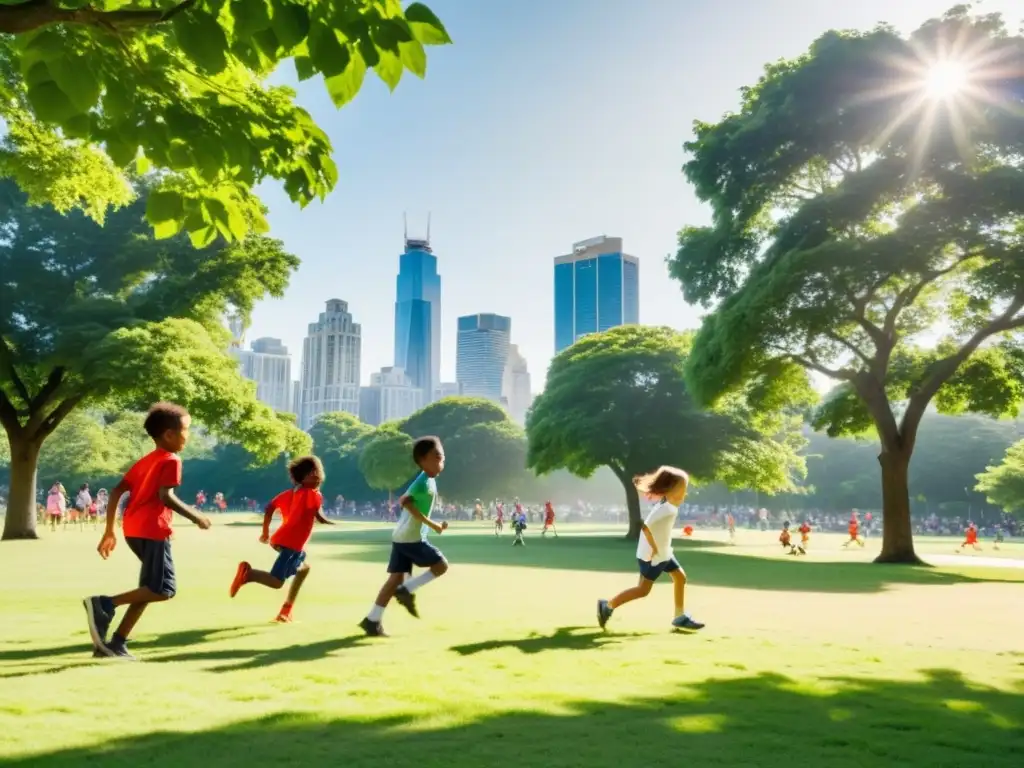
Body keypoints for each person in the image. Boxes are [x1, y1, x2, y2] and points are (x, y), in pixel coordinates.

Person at [83, 402, 211, 660]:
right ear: (169, 434)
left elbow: (118, 490)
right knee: (164, 589)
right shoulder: (171, 459)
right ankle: (105, 604)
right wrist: (196, 516)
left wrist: (110, 531)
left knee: (150, 587)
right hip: (153, 529)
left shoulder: (146, 461)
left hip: (134, 529)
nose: (188, 435)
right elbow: (166, 496)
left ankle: (117, 643)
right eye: (186, 429)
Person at [359, 436, 448, 637]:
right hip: (411, 537)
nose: (441, 462)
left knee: (394, 579)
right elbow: (405, 502)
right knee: (441, 566)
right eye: (437, 457)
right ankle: (406, 590)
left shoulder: (429, 481)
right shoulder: (423, 482)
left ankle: (372, 620)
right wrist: (433, 524)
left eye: (442, 457)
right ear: (423, 460)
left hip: (401, 536)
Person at [597, 467, 704, 632]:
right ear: (671, 490)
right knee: (642, 590)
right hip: (653, 557)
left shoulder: (669, 506)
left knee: (680, 577)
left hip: (664, 553)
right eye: (683, 489)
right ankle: (607, 606)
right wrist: (654, 548)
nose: (685, 493)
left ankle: (679, 616)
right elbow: (646, 527)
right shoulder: (665, 508)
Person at [230, 456, 332, 622]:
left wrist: (265, 533)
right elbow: (315, 510)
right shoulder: (311, 494)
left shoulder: (293, 493)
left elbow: (270, 507)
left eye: (318, 472)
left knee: (304, 569)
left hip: (286, 541)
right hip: (290, 543)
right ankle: (248, 574)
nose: (316, 476)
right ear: (301, 478)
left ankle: (286, 610)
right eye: (311, 473)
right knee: (277, 582)